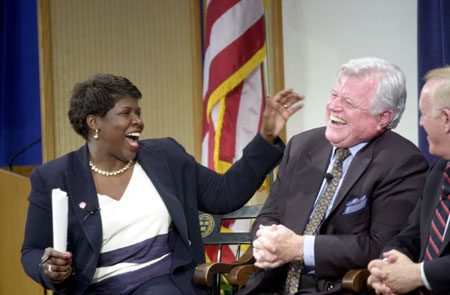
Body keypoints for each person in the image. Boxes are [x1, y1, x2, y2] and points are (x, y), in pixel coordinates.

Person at [21, 74, 303, 295]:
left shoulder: (165, 157)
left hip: (163, 283)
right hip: (93, 288)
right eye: (126, 113)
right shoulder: (54, 177)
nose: (139, 121)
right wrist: (48, 268)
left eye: (138, 112)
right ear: (94, 123)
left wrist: (265, 138)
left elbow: (224, 195)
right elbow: (32, 251)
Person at [236, 57, 429, 295]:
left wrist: (300, 248)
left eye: (348, 101)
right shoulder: (302, 145)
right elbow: (270, 214)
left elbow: (381, 247)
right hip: (272, 285)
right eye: (334, 94)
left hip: (335, 288)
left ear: (382, 118)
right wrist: (266, 242)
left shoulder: (402, 162)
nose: (334, 106)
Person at [367, 66, 450, 295]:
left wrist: (417, 275)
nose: (421, 123)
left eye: (424, 113)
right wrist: (390, 266)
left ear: (446, 119)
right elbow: (410, 235)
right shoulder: (440, 170)